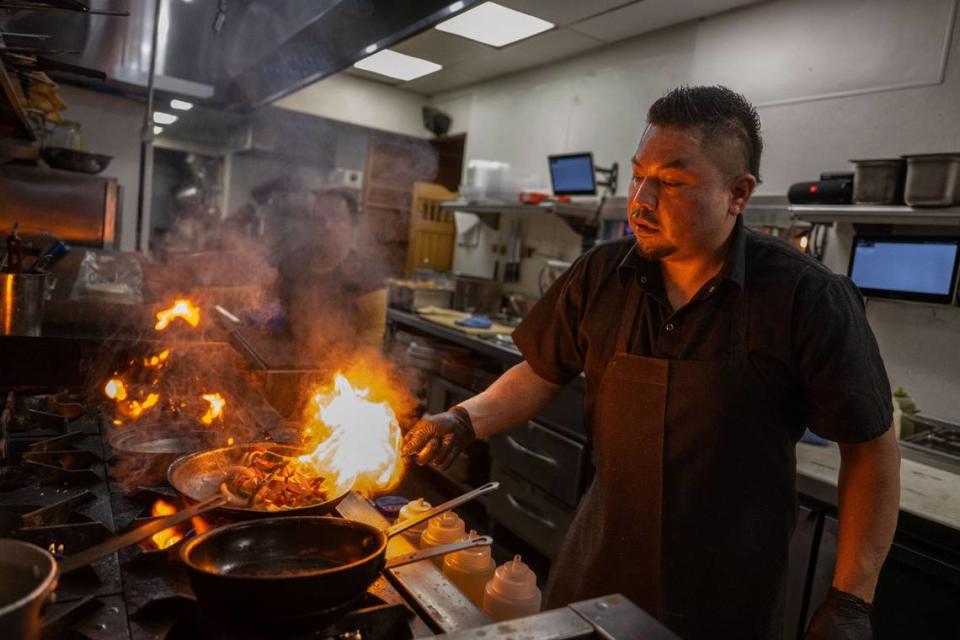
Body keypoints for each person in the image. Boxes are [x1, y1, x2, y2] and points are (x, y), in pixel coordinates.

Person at [401, 86, 900, 639]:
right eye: (639, 175)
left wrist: (851, 599)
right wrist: (465, 419)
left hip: (724, 592)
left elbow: (871, 449)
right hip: (597, 562)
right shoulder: (601, 275)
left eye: (671, 182)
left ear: (738, 194)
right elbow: (540, 371)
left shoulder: (805, 298)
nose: (640, 199)